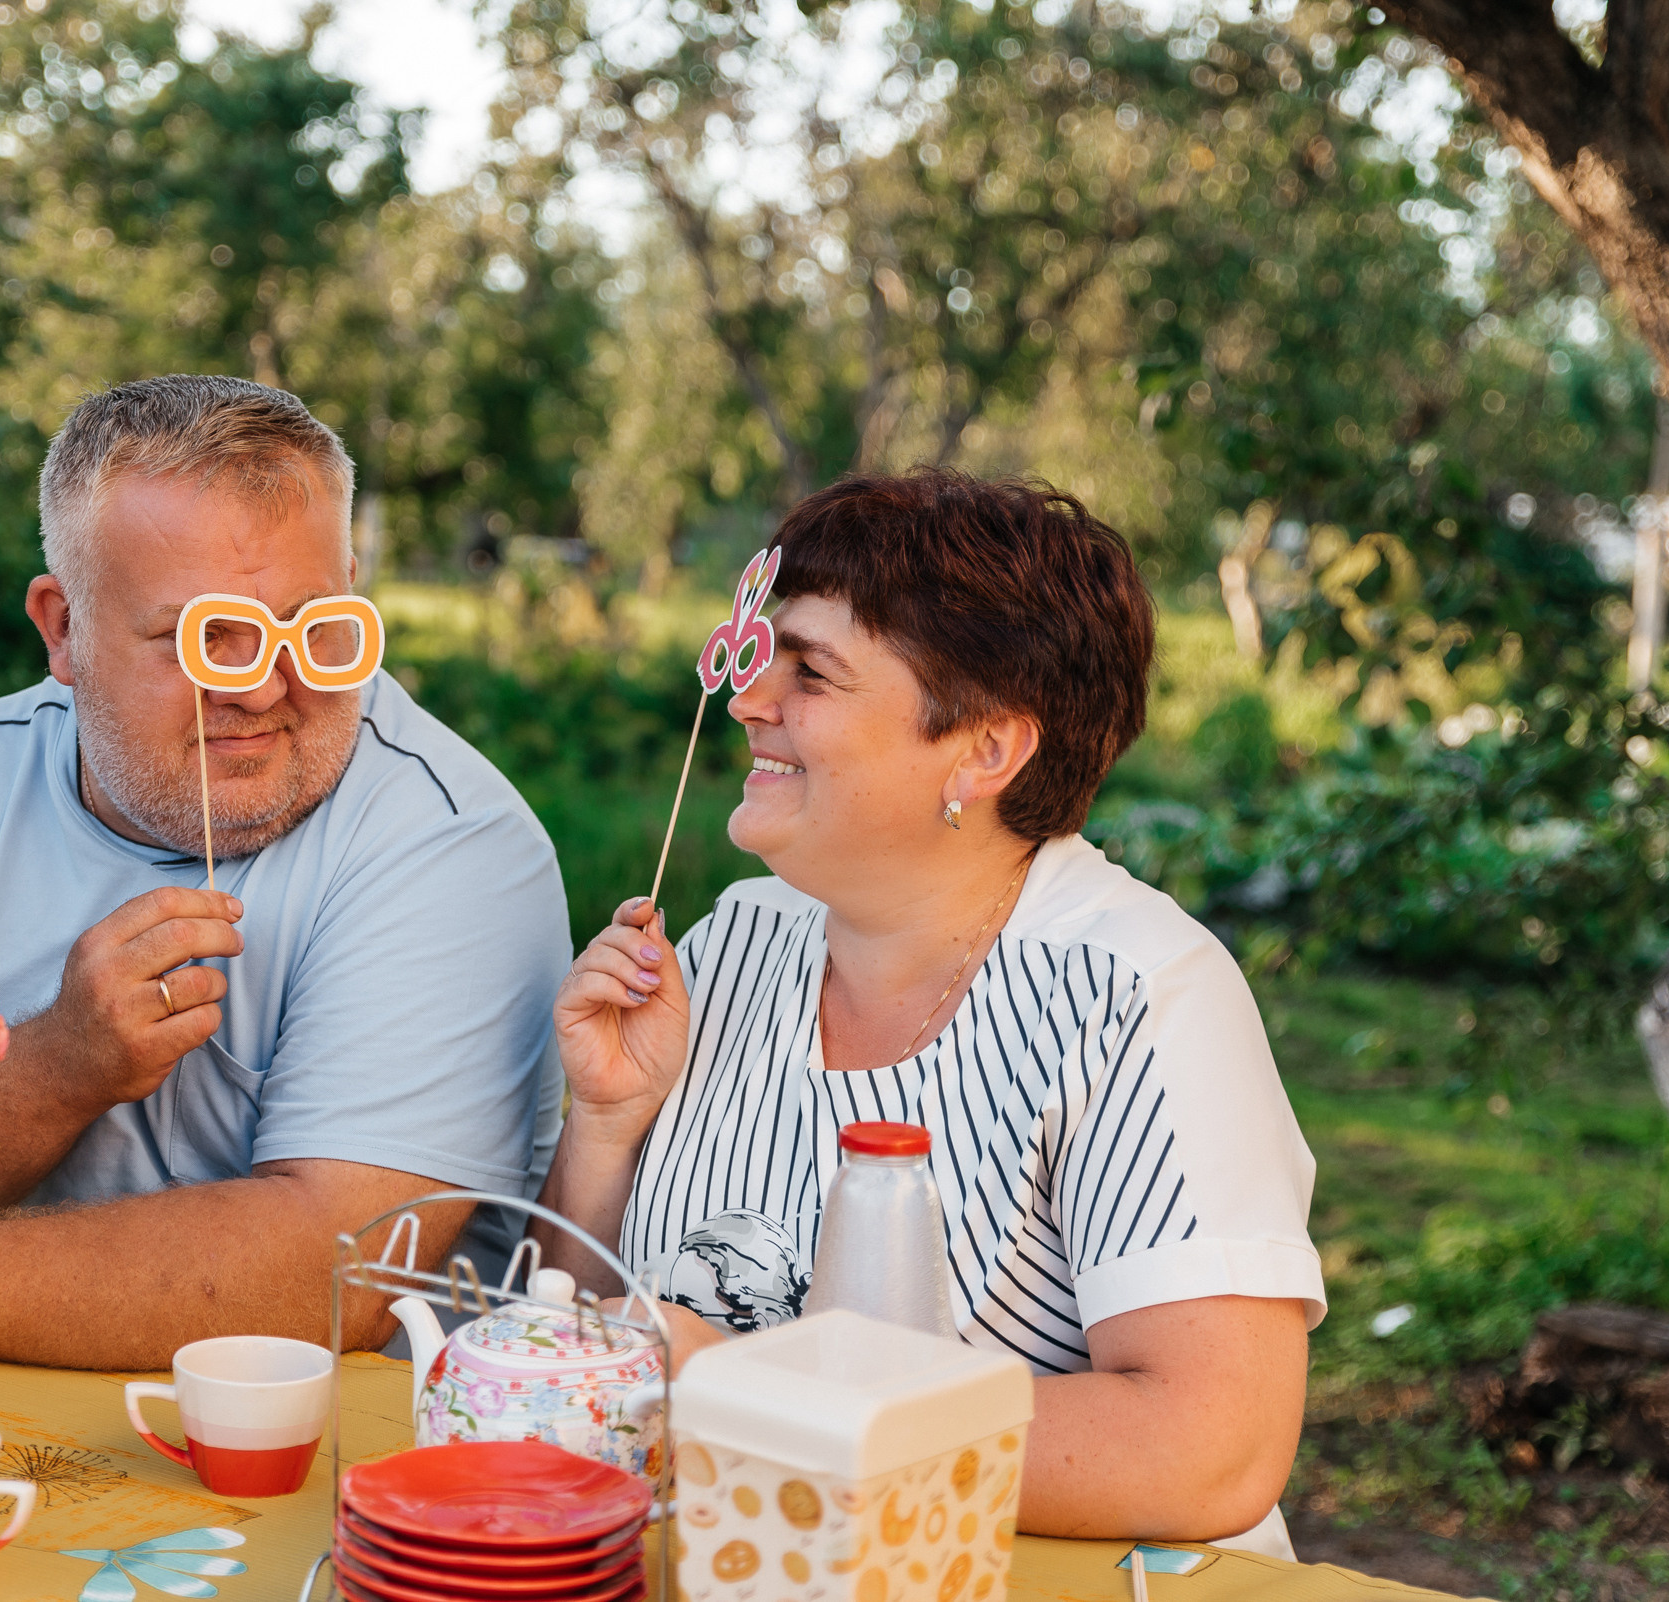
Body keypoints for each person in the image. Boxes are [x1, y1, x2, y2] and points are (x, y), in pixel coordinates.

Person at [535, 470, 1324, 1555]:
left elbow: (1211, 1443)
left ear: (985, 750)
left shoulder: (1135, 994)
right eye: (763, 657)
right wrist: (605, 1129)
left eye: (810, 672)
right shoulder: (731, 942)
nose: (748, 700)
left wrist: (753, 1398)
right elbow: (576, 1356)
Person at [0, 376, 568, 1369]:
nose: (259, 687)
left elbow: (337, 1273)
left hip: (325, 1470)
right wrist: (57, 1069)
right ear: (62, 629)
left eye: (309, 626)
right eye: (202, 637)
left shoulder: (452, 843)